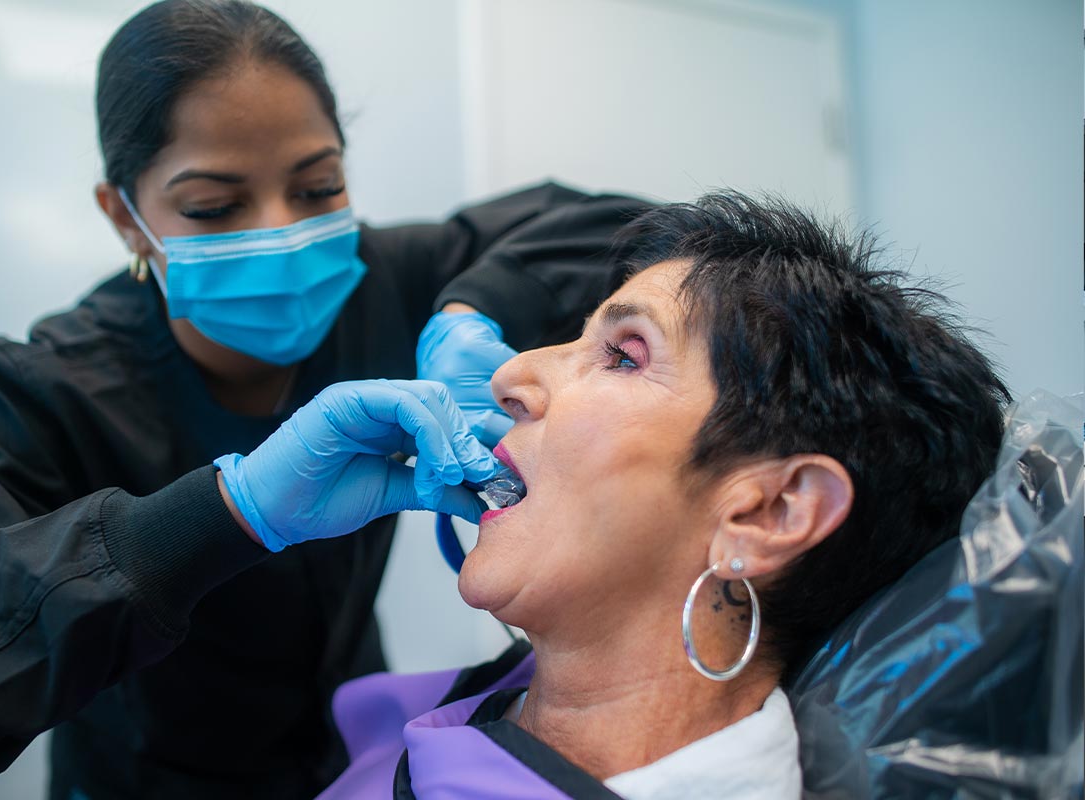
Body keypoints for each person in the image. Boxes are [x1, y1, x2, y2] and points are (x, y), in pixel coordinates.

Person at [0, 1, 648, 796]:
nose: (284, 233)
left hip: (357, 745)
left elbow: (644, 234)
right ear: (124, 215)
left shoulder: (387, 280)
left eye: (319, 187)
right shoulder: (48, 393)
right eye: (215, 207)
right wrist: (226, 514)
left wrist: (472, 311)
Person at [314, 192, 1012, 798]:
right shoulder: (480, 705)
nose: (512, 378)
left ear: (770, 512)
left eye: (623, 355)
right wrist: (223, 521)